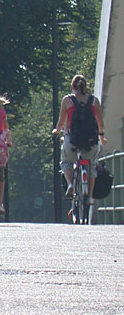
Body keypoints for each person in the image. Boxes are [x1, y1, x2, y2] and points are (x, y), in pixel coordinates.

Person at [51, 74, 107, 214]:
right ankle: (90, 196)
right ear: (85, 86)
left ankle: (70, 184)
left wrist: (57, 131)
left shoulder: (67, 100)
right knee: (92, 165)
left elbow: (61, 121)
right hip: (90, 141)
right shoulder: (94, 101)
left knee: (66, 162)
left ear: (72, 87)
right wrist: (101, 137)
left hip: (72, 140)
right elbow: (100, 122)